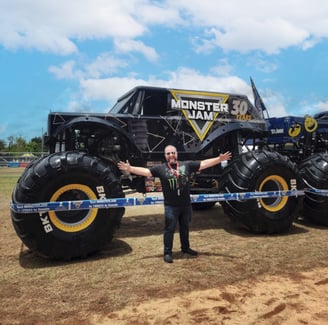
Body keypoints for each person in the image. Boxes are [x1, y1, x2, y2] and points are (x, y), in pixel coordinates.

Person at [117, 145, 232, 263]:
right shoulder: (161, 168)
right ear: (165, 156)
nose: (171, 155)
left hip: (186, 205)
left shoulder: (186, 165)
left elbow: (203, 164)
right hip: (171, 206)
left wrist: (219, 159)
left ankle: (186, 248)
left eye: (173, 153)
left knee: (185, 228)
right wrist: (130, 168)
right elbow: (146, 172)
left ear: (176, 154)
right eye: (168, 153)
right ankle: (167, 253)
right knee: (169, 229)